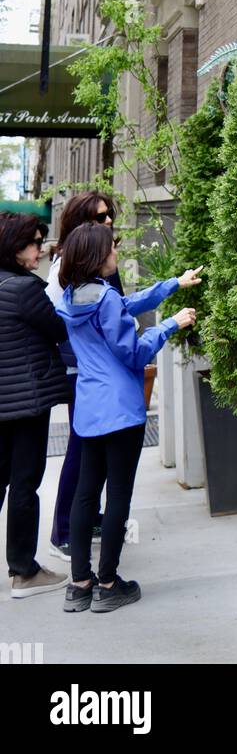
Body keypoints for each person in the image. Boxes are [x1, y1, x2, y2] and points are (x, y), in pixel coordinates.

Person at [56, 222, 201, 613]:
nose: (116, 253)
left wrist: (173, 283)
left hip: (89, 411)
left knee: (86, 494)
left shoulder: (73, 297)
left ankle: (80, 584)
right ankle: (108, 584)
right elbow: (134, 353)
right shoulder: (104, 299)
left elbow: (125, 304)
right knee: (117, 494)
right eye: (111, 249)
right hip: (120, 411)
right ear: (97, 257)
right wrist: (171, 324)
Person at [0, 212, 73, 597]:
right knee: (25, 484)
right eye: (34, 243)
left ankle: (22, 568)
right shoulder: (26, 289)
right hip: (27, 402)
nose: (40, 249)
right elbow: (58, 328)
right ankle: (24, 571)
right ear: (15, 249)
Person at [45, 191, 121, 561]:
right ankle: (63, 529)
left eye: (109, 215)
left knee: (96, 451)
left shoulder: (100, 262)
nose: (108, 222)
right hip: (83, 372)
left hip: (99, 370)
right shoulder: (65, 270)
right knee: (81, 449)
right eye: (99, 217)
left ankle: (86, 519)